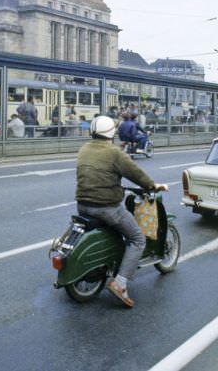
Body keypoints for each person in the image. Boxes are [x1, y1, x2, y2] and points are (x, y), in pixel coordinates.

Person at [75, 116, 167, 307]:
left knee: (117, 230)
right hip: (106, 207)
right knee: (137, 238)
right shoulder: (113, 153)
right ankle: (120, 283)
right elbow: (135, 173)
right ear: (111, 133)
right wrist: (152, 185)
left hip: (82, 205)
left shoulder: (84, 149)